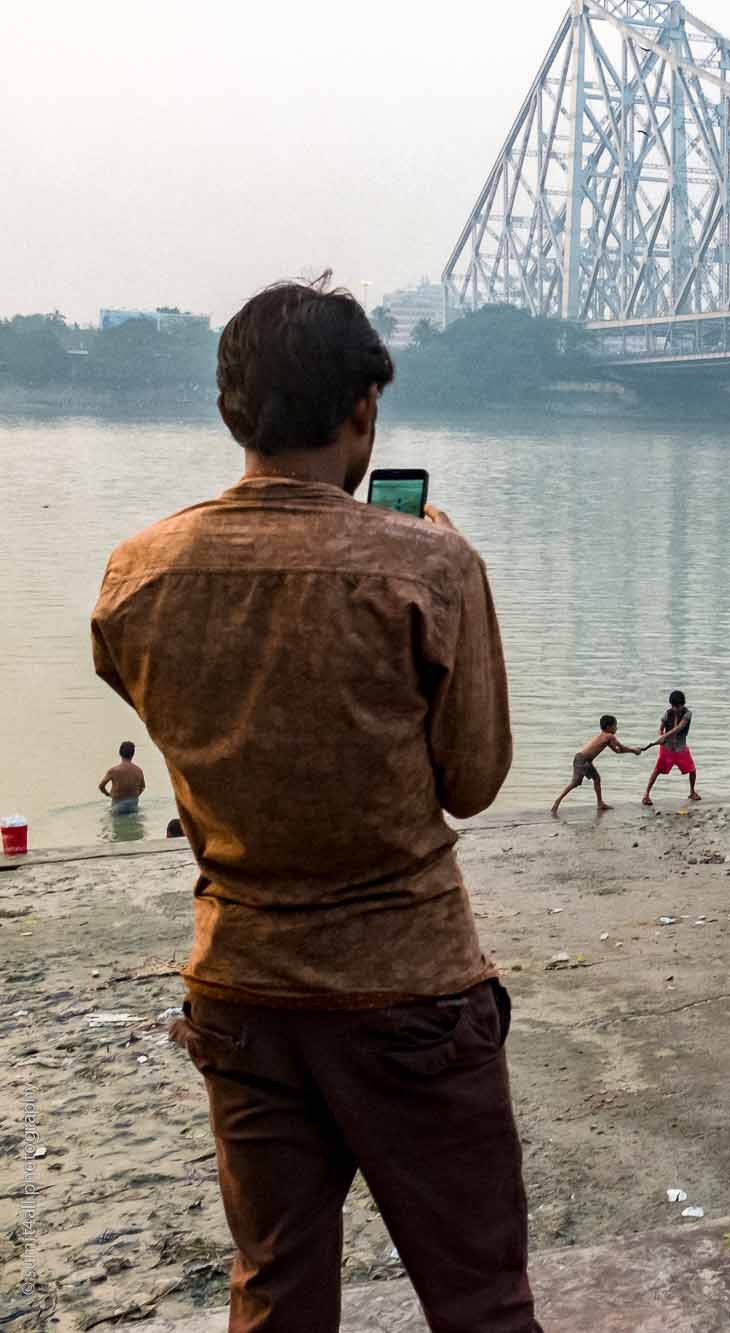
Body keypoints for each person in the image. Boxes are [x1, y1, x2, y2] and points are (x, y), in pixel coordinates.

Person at [89, 278, 539, 1332]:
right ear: (365, 409)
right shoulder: (429, 564)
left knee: (276, 1294)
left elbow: (172, 714)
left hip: (241, 989)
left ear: (227, 411)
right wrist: (446, 570)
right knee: (479, 1300)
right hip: (409, 991)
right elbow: (472, 780)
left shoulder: (135, 574)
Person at [552, 715, 643, 817]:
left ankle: (600, 803)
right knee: (575, 783)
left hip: (583, 759)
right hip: (582, 760)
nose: (617, 728)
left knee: (597, 779)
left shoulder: (605, 736)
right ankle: (557, 801)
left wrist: (632, 751)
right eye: (615, 726)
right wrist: (633, 750)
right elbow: (621, 747)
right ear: (608, 727)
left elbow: (617, 751)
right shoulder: (609, 736)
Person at [641, 690, 698, 805]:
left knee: (692, 770)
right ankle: (646, 795)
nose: (676, 709)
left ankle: (692, 792)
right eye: (674, 706)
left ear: (683, 704)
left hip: (681, 748)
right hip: (667, 749)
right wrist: (661, 736)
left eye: (678, 706)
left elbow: (679, 728)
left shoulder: (687, 714)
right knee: (657, 771)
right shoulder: (667, 714)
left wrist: (665, 736)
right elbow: (660, 728)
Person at [98, 741, 146, 815]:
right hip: (133, 805)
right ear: (133, 754)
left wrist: (108, 794)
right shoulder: (138, 770)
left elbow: (101, 786)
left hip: (117, 805)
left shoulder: (114, 770)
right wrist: (135, 795)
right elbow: (143, 787)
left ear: (120, 753)